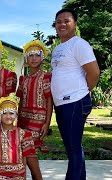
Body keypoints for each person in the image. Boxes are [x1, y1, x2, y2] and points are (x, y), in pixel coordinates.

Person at [51, 8, 100, 180]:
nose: (62, 24)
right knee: (74, 148)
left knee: (73, 149)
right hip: (62, 105)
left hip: (75, 102)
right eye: (59, 22)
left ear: (75, 24)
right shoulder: (58, 49)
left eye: (67, 20)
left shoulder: (79, 44)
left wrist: (82, 92)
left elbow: (94, 73)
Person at [16, 40, 53, 180]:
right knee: (24, 155)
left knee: (31, 155)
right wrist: (17, 123)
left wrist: (47, 123)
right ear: (26, 58)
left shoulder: (46, 77)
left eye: (37, 55)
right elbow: (20, 101)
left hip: (38, 121)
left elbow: (49, 100)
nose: (34, 58)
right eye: (30, 55)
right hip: (23, 122)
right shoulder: (23, 79)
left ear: (42, 58)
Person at [0, 94, 36, 179]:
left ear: (16, 115)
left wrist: (23, 177)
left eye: (11, 113)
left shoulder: (23, 134)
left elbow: (24, 157)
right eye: (4, 113)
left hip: (18, 174)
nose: (8, 116)